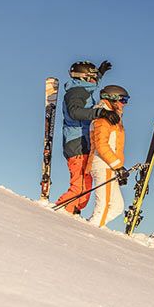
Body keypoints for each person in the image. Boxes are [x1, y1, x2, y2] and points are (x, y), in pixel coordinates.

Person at [56, 60, 115, 214]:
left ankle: (71, 211)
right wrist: (99, 113)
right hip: (77, 143)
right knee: (80, 187)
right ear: (85, 77)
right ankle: (58, 212)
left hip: (81, 143)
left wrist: (101, 73)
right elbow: (75, 112)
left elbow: (91, 87)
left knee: (84, 186)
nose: (95, 79)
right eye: (93, 76)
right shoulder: (76, 92)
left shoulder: (81, 89)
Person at [88, 85, 130, 227]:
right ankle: (89, 234)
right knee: (103, 206)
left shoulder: (113, 117)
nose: (124, 104)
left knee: (117, 207)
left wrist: (119, 169)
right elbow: (101, 145)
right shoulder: (103, 118)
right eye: (123, 100)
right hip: (102, 165)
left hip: (110, 166)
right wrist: (118, 166)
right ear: (112, 99)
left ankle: (93, 229)